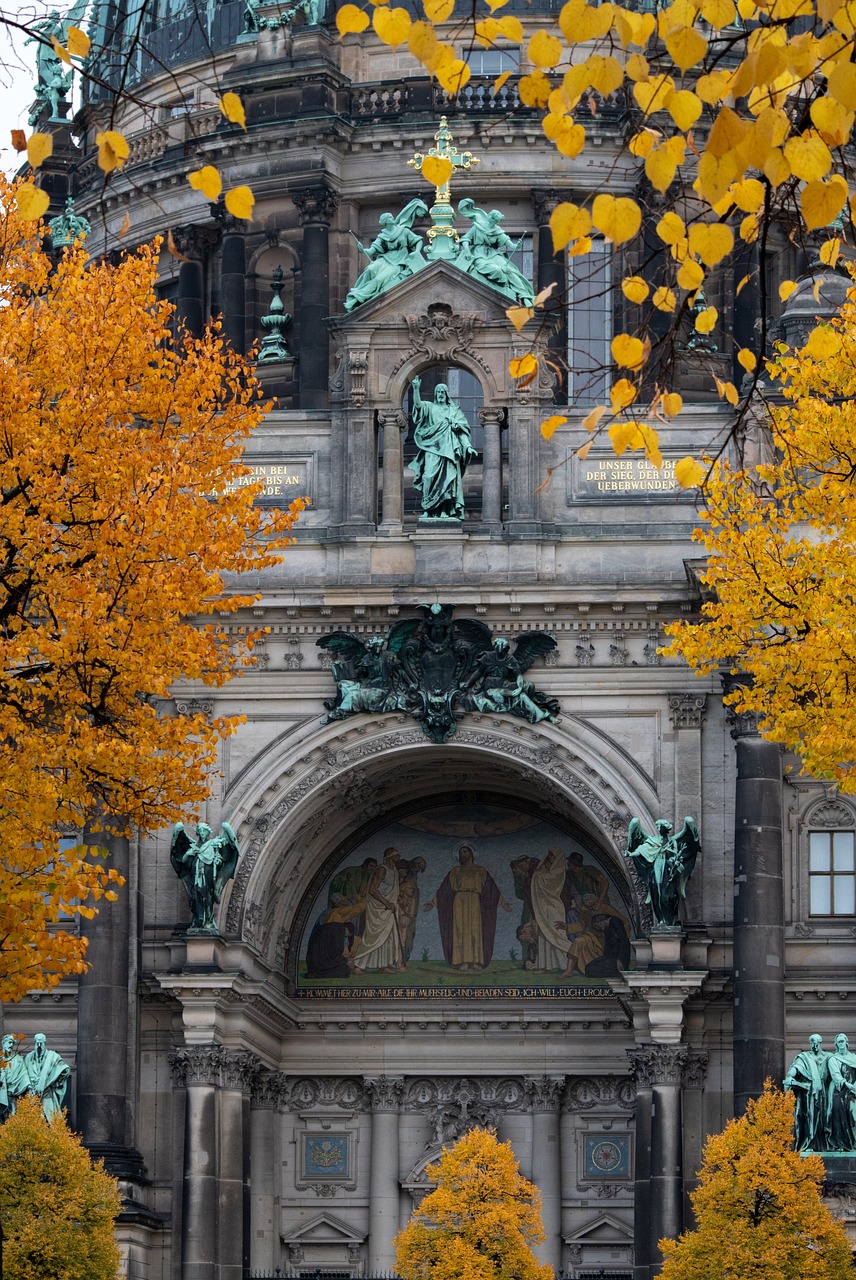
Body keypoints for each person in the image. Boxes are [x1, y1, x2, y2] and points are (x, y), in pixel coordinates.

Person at [424, 844, 510, 971]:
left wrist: (503, 903)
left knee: (475, 930)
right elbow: (444, 890)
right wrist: (432, 903)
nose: (462, 855)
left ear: (471, 854)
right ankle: (461, 961)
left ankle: (476, 960)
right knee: (460, 931)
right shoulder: (455, 871)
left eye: (465, 852)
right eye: (460, 853)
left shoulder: (481, 870)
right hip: (459, 901)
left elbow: (491, 889)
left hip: (475, 901)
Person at [410, 378, 478, 520]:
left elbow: (462, 432)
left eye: (443, 392)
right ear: (435, 394)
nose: (440, 394)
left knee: (448, 481)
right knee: (428, 477)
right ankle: (428, 510)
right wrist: (416, 389)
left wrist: (468, 447)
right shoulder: (429, 407)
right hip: (432, 448)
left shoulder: (454, 411)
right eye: (438, 391)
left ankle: (444, 511)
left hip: (449, 451)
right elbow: (417, 406)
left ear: (447, 394)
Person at [344, 201, 428, 311]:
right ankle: (357, 295)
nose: (393, 218)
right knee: (369, 269)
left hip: (399, 261)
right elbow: (371, 250)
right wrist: (363, 250)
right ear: (386, 222)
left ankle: (356, 300)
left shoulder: (403, 231)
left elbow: (418, 241)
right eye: (390, 217)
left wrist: (416, 251)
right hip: (387, 258)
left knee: (379, 279)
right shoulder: (382, 235)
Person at [456, 199, 535, 305]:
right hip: (479, 255)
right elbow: (466, 239)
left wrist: (517, 245)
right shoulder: (478, 227)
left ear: (493, 220)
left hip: (493, 255)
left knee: (509, 271)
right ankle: (505, 289)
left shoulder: (498, 231)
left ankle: (524, 296)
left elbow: (511, 245)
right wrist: (467, 251)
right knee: (497, 270)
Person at [170, 821, 241, 933]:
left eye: (204, 831)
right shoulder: (193, 846)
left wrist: (218, 861)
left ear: (208, 832)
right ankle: (198, 920)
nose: (202, 833)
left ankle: (208, 920)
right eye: (200, 831)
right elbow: (183, 861)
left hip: (208, 874)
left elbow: (220, 861)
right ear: (198, 832)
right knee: (196, 895)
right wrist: (188, 854)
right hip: (196, 874)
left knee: (208, 896)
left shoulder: (214, 844)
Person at [349, 849, 406, 974]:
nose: (399, 856)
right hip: (378, 907)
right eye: (396, 854)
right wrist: (387, 903)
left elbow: (393, 890)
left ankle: (383, 965)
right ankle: (358, 964)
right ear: (389, 856)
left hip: (389, 908)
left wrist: (397, 902)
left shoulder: (395, 871)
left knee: (388, 936)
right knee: (373, 936)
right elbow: (373, 890)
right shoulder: (382, 870)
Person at [529, 848, 573, 972]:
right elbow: (538, 874)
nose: (550, 860)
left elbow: (542, 879)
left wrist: (539, 871)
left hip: (554, 907)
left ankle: (565, 965)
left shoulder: (558, 871)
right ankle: (547, 966)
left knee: (556, 934)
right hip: (545, 906)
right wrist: (543, 862)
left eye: (553, 857)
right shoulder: (548, 871)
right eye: (549, 857)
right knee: (544, 933)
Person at [784, 1034, 829, 1151]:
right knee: (810, 1117)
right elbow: (796, 1068)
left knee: (825, 1118)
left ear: (821, 1043)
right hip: (808, 1094)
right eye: (812, 1043)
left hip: (825, 1093)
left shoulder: (829, 1057)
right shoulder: (804, 1057)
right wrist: (790, 1075)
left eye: (817, 1043)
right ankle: (810, 1144)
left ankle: (827, 1145)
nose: (814, 1045)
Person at [24, 1033, 70, 1119]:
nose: (39, 1045)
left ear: (45, 1043)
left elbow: (65, 1068)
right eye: (37, 1043)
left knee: (51, 1120)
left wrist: (56, 1079)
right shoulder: (28, 1057)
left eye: (41, 1043)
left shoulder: (52, 1056)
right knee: (31, 1120)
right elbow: (23, 1074)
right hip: (32, 1094)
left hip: (47, 1093)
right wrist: (29, 1086)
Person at [827, 1032, 856, 1151]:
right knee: (839, 1117)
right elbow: (835, 1075)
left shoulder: (854, 1058)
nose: (841, 1043)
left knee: (853, 1115)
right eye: (839, 1042)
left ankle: (853, 1143)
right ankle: (840, 1145)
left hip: (853, 1092)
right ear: (836, 1044)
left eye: (843, 1041)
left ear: (846, 1043)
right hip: (838, 1091)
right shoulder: (833, 1059)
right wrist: (848, 1085)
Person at [396, 856, 427, 962]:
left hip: (410, 910)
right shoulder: (405, 867)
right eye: (418, 866)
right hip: (401, 909)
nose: (418, 869)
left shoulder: (413, 890)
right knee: (398, 934)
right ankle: (397, 958)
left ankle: (405, 956)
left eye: (420, 868)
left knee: (409, 933)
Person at [0, 1034, 31, 1121]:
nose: (11, 1045)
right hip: (1, 1094)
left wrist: (28, 1085)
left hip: (12, 1094)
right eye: (9, 1042)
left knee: (13, 1117)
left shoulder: (18, 1060)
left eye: (12, 1044)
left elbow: (24, 1073)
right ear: (3, 1043)